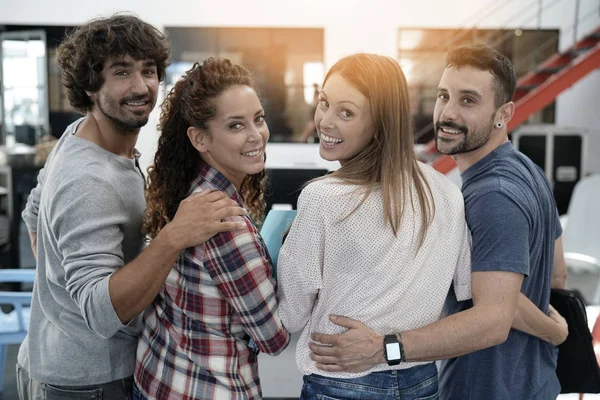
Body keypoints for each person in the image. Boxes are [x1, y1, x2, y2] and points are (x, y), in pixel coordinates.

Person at [306, 45, 568, 400]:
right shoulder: (529, 172)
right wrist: (551, 331)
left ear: (503, 113)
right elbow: (554, 277)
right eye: (444, 96)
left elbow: (494, 317)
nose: (447, 113)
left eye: (469, 101)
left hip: (486, 387)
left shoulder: (494, 196)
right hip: (534, 381)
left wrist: (384, 348)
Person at [18, 15, 246, 400]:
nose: (141, 86)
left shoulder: (79, 136)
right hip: (89, 382)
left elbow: (32, 212)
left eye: (149, 71)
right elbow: (102, 313)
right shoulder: (89, 179)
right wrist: (175, 235)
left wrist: (59, 289)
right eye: (122, 72)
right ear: (91, 85)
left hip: (58, 365)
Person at [277, 53, 473, 400]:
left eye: (346, 112)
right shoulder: (446, 192)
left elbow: (291, 316)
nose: (325, 121)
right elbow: (462, 288)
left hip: (340, 381)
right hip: (420, 380)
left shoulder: (323, 198)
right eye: (324, 103)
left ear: (380, 123)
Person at [134, 58, 290, 400]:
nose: (255, 135)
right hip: (208, 389)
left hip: (160, 376)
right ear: (199, 138)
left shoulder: (191, 193)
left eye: (258, 119)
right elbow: (273, 339)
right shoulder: (226, 222)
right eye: (236, 125)